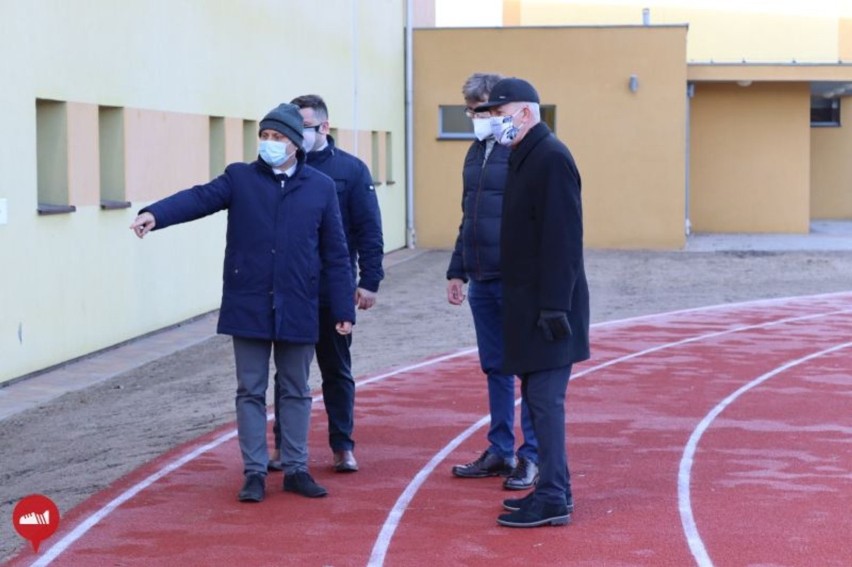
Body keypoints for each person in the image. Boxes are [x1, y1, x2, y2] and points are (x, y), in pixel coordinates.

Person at [129, 103, 355, 503]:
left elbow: (335, 253)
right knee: (249, 390)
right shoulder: (240, 178)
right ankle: (253, 473)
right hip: (247, 301)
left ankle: (296, 469)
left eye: (278, 137)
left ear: (295, 143)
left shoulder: (320, 187)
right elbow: (199, 198)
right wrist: (155, 214)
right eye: (264, 137)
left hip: (299, 303)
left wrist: (342, 309)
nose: (269, 143)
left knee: (296, 389)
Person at [473, 78, 590, 528]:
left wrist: (554, 308)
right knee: (537, 400)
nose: (491, 121)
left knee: (544, 404)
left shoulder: (551, 158)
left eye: (498, 112)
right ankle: (552, 490)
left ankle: (554, 497)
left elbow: (564, 240)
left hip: (549, 311)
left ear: (525, 113)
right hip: (530, 306)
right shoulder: (522, 155)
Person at [267, 94, 384, 474]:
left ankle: (342, 446)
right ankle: (284, 446)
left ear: (324, 127)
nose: (295, 136)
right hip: (290, 291)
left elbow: (369, 231)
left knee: (336, 371)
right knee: (287, 374)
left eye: (302, 127)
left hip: (332, 290)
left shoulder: (351, 171)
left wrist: (369, 281)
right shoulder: (282, 169)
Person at [446, 73, 540, 491]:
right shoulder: (475, 152)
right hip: (481, 277)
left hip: (515, 279)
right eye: (470, 110)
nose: (476, 117)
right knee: (495, 367)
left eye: (482, 109)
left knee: (530, 369)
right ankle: (500, 449)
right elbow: (470, 214)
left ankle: (532, 455)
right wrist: (456, 268)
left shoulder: (522, 150)